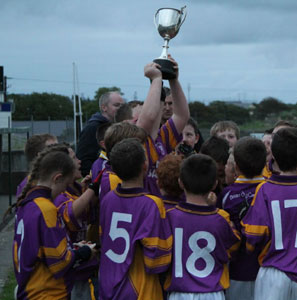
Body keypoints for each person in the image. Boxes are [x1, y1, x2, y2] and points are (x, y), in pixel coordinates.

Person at [241, 128, 297, 300]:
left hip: (273, 273)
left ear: (273, 155)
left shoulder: (265, 189)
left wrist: (252, 249)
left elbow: (253, 235)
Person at [13, 147, 95, 299]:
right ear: (57, 178)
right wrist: (84, 252)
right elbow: (59, 263)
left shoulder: (26, 203)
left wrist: (73, 247)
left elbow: (41, 249)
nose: (64, 191)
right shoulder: (46, 209)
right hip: (47, 293)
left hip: (29, 288)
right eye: (65, 186)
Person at [99, 138, 172, 299]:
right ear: (145, 166)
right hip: (139, 289)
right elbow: (158, 260)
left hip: (107, 284)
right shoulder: (152, 204)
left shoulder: (108, 199)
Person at [164, 154, 241, 300]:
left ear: (181, 183)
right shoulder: (221, 218)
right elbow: (233, 248)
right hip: (212, 292)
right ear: (214, 184)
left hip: (179, 293)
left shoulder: (170, 217)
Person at [219, 137, 266, 300]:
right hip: (268, 270)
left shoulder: (227, 195)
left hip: (237, 271)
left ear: (236, 167)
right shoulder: (271, 190)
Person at [138, 56, 189, 197]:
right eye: (137, 117)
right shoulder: (135, 142)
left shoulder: (161, 139)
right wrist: (155, 80)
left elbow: (181, 116)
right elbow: (146, 121)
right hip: (147, 209)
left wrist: (173, 80)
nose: (154, 113)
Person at [77, 91, 124, 176]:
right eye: (117, 105)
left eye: (122, 106)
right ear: (104, 107)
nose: (121, 109)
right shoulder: (92, 128)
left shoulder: (118, 126)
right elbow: (84, 160)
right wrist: (98, 179)